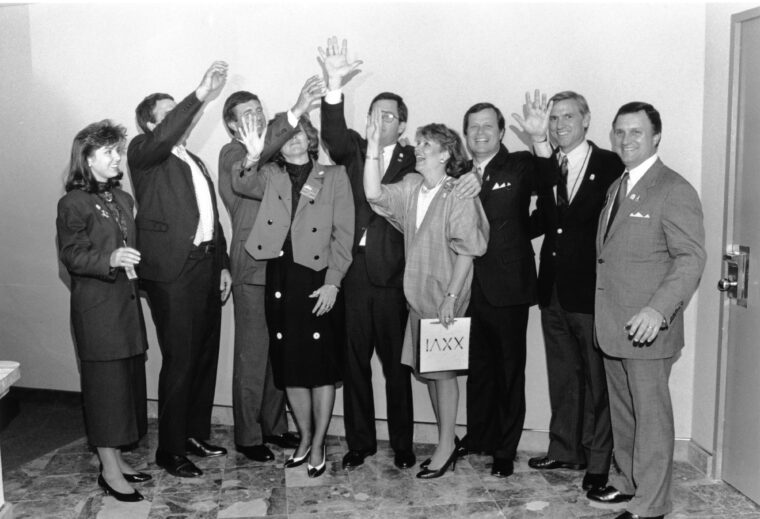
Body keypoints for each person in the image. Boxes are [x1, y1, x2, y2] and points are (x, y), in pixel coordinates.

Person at [588, 102, 705, 519]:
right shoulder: (618, 184)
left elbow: (690, 258)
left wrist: (658, 310)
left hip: (648, 327)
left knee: (651, 417)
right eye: (619, 131)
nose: (625, 139)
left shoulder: (673, 188)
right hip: (615, 323)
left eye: (636, 132)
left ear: (656, 136)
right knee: (624, 412)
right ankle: (627, 482)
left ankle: (652, 503)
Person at [364, 113, 489, 479]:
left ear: (446, 155)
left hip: (446, 298)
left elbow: (468, 250)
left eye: (426, 146)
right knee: (433, 373)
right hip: (418, 298)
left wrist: (451, 297)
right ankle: (446, 439)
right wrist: (372, 146)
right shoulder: (412, 186)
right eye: (418, 144)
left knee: (444, 375)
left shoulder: (458, 192)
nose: (417, 151)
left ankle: (447, 446)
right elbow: (373, 193)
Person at [513, 90, 623, 492]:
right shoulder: (549, 165)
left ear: (587, 119)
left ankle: (598, 461)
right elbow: (544, 218)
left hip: (593, 291)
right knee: (563, 376)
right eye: (554, 119)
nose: (560, 126)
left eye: (568, 118)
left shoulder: (611, 165)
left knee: (598, 382)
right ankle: (565, 449)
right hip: (553, 290)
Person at [127, 62, 232, 478]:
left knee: (204, 355)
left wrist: (222, 264)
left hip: (206, 267)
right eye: (169, 114)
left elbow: (211, 217)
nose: (180, 119)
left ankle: (193, 433)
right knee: (181, 359)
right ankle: (169, 450)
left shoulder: (193, 159)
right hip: (173, 273)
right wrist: (200, 94)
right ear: (152, 124)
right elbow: (165, 135)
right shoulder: (144, 152)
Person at [318, 36, 417, 470]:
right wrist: (334, 86)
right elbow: (333, 134)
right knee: (354, 364)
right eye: (376, 113)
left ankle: (403, 445)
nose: (382, 120)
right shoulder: (356, 150)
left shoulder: (416, 160)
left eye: (390, 115)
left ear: (402, 125)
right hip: (354, 275)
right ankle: (360, 442)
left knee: (397, 370)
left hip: (395, 279)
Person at [217, 76, 326, 462]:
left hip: (283, 267)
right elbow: (254, 175)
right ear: (232, 125)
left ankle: (274, 425)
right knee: (252, 355)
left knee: (279, 352)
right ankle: (248, 436)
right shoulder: (235, 155)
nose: (257, 118)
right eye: (247, 115)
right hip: (252, 268)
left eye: (259, 111)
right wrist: (294, 112)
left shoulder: (270, 155)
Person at [240, 115, 354, 478]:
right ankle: (304, 439)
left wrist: (334, 282)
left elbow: (344, 234)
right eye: (285, 136)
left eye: (299, 134)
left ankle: (319, 441)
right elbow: (241, 181)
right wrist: (254, 154)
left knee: (319, 367)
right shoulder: (269, 175)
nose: (293, 141)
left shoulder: (333, 176)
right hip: (280, 274)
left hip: (318, 277)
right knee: (290, 366)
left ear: (311, 139)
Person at [57, 120, 150, 502]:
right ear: (87, 158)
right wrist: (109, 257)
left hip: (125, 308)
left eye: (118, 150)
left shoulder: (122, 198)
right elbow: (72, 254)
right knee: (105, 393)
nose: (118, 158)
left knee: (125, 387)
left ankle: (118, 458)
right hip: (98, 312)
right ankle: (109, 470)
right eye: (109, 152)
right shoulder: (73, 203)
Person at [461, 102, 549, 478]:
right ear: (465, 136)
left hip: (508, 286)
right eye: (472, 127)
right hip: (467, 285)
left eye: (487, 126)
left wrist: (539, 139)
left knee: (510, 369)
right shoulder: (459, 172)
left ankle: (505, 448)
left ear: (500, 132)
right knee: (477, 367)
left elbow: (550, 184)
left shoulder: (519, 165)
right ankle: (479, 435)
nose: (480, 133)